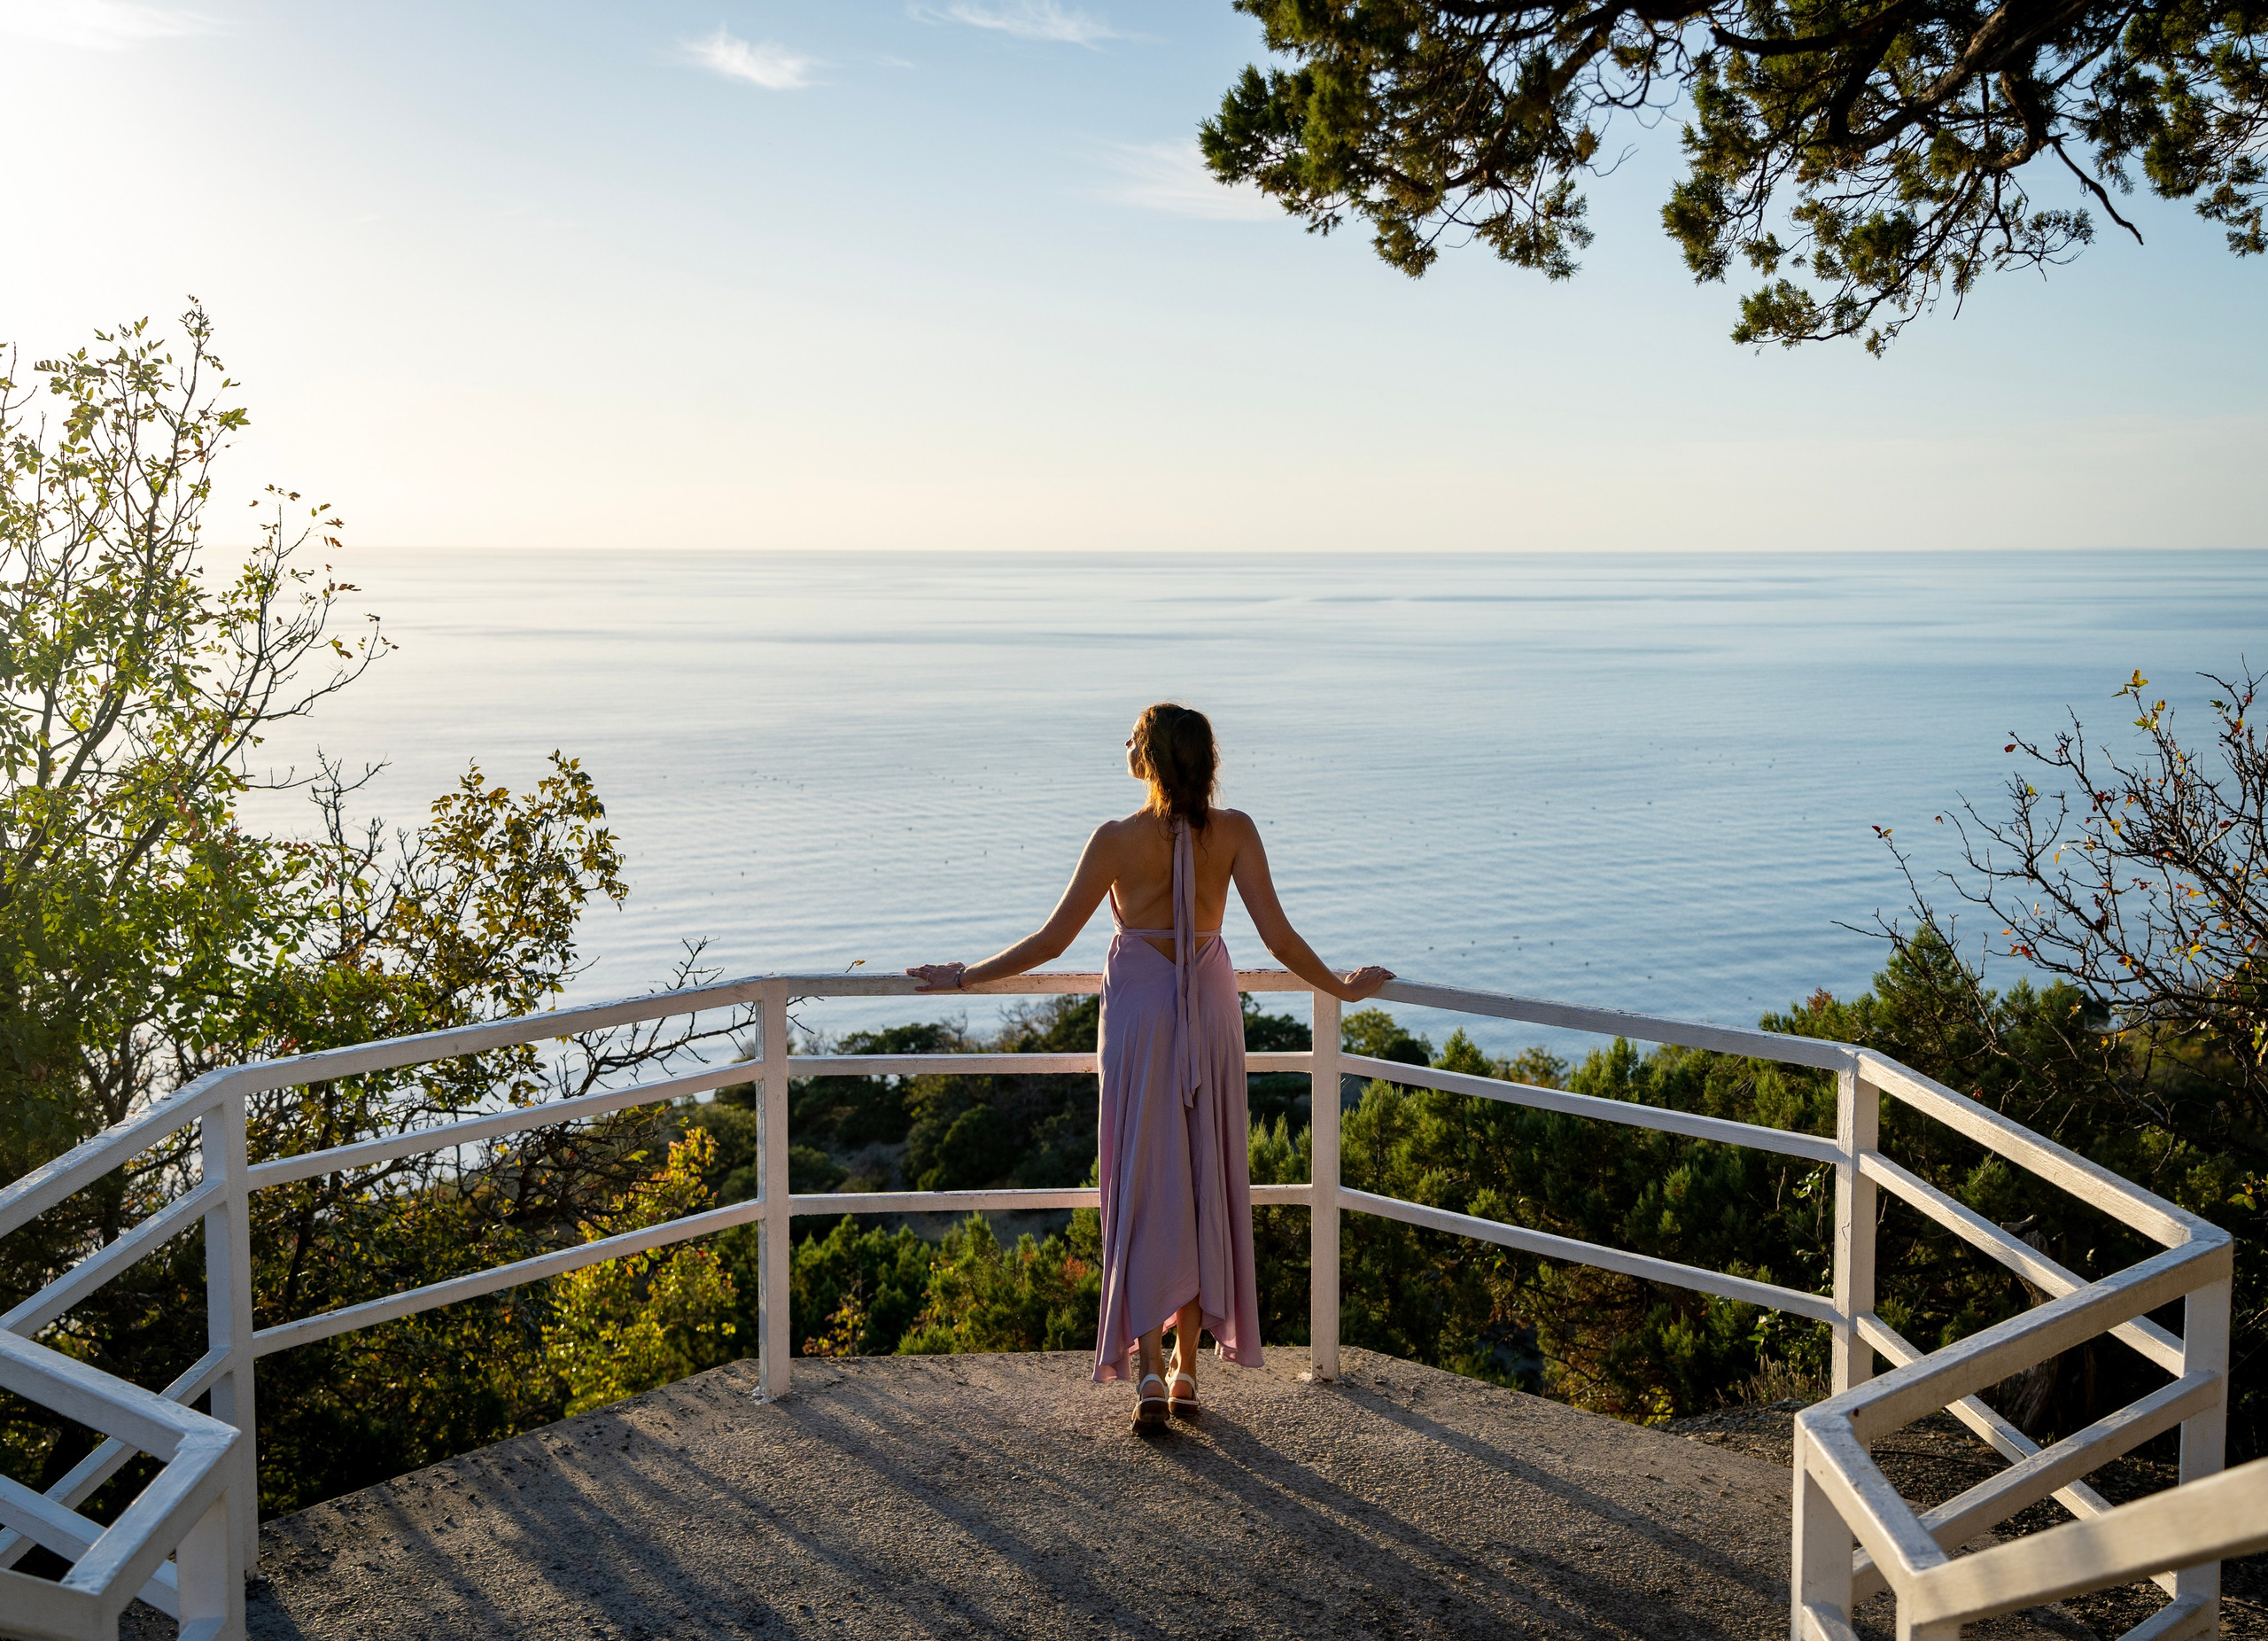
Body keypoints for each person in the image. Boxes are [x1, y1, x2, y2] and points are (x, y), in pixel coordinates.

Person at [908, 703, 1391, 1429]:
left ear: (1153, 757)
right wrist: (1343, 989)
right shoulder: (1235, 831)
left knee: (1141, 1181)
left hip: (1140, 1017)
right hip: (1211, 1010)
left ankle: (1145, 1374)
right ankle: (1187, 1371)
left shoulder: (1114, 839)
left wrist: (964, 976)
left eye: (1134, 737)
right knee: (1203, 1178)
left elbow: (1050, 942)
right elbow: (1281, 941)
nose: (1125, 745)